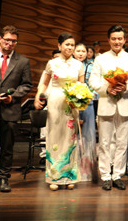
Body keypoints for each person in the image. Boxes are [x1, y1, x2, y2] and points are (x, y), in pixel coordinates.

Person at [0, 25, 32, 192]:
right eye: (7, 40)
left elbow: (27, 85)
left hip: (10, 109)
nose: (10, 43)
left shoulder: (23, 61)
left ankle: (3, 178)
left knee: (7, 147)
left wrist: (13, 96)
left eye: (14, 41)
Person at [89, 24, 128, 191]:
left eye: (120, 39)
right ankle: (105, 175)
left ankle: (117, 175)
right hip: (106, 103)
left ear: (124, 40)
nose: (117, 42)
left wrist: (126, 87)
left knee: (122, 142)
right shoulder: (100, 59)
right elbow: (93, 81)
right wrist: (107, 88)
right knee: (104, 142)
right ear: (108, 40)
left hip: (124, 104)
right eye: (114, 39)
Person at [34, 33, 86, 191]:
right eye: (67, 44)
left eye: (72, 45)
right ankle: (54, 177)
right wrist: (38, 96)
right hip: (55, 102)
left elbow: (82, 86)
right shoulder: (52, 63)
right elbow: (44, 83)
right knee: (54, 138)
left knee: (70, 140)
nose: (70, 47)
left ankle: (70, 176)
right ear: (59, 45)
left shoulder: (79, 65)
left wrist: (80, 99)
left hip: (71, 104)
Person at [73, 42, 98, 183]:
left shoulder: (92, 66)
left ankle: (86, 171)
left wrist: (92, 94)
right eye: (78, 51)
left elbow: (95, 84)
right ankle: (72, 169)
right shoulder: (69, 65)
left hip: (88, 103)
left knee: (88, 135)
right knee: (73, 135)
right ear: (73, 52)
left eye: (83, 51)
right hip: (71, 104)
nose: (81, 53)